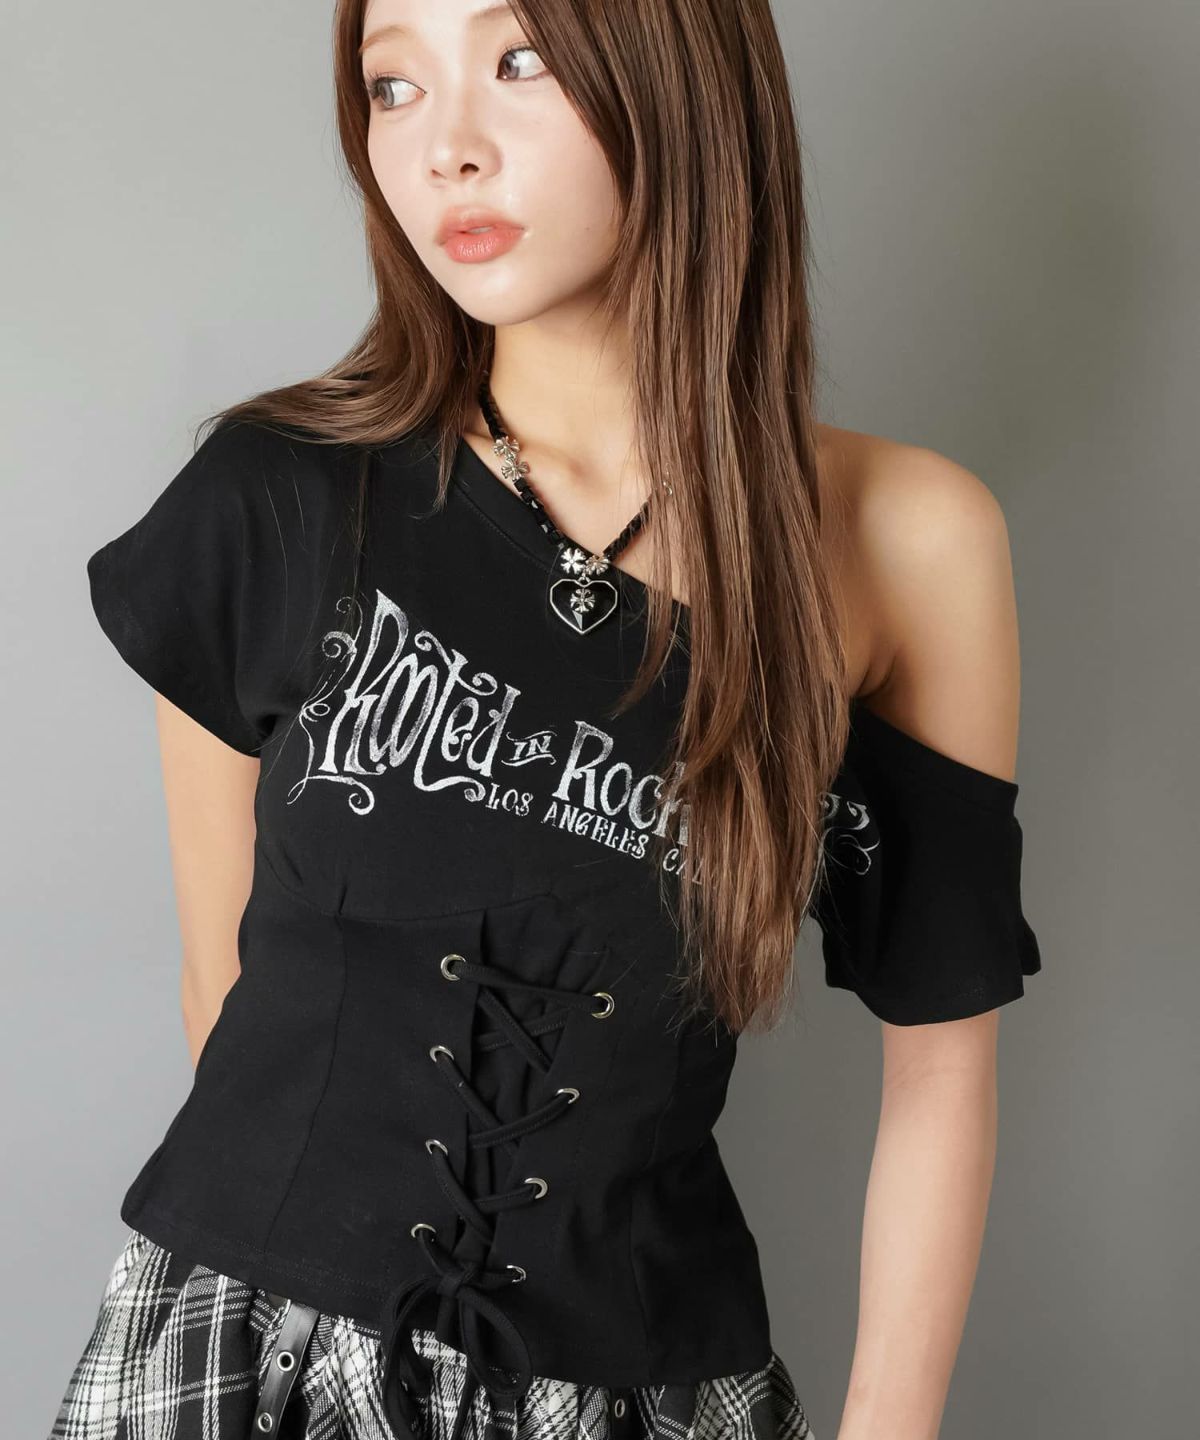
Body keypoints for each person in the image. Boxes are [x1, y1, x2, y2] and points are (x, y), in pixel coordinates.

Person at [49, 1, 1042, 1438]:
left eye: (518, 61)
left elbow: (943, 1069)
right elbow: (224, 991)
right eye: (392, 84)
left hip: (639, 1386)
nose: (444, 148)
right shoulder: (280, 493)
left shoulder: (903, 542)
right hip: (247, 1361)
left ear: (679, 76)